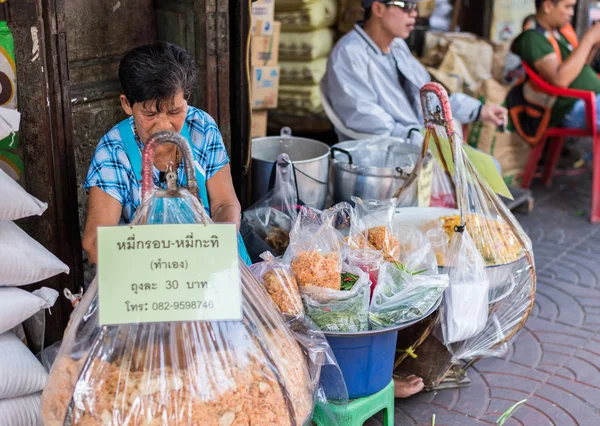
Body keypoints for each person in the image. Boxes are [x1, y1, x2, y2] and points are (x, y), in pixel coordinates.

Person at [82, 41, 251, 265]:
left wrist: (214, 247)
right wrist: (166, 262)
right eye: (150, 114)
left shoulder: (201, 128)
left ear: (187, 98)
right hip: (146, 275)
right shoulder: (113, 152)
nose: (164, 125)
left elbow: (224, 204)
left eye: (174, 111)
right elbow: (95, 244)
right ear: (126, 104)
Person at [322, 0, 507, 145]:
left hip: (418, 145)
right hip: (384, 158)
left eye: (415, 7)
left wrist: (478, 110)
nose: (414, 14)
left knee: (489, 168)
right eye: (406, 6)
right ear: (378, 9)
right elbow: (367, 120)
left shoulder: (397, 47)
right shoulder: (349, 54)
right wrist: (422, 140)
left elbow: (428, 96)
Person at [512, 0, 600, 131]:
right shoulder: (532, 37)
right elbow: (560, 80)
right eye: (567, 7)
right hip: (571, 107)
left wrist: (594, 44)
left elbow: (578, 67)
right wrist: (589, 39)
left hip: (590, 101)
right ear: (548, 6)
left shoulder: (560, 33)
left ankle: (593, 153)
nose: (571, 13)